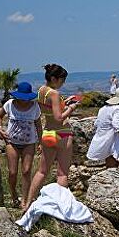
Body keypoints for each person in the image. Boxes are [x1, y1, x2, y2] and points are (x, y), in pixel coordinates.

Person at [26, 64, 79, 209]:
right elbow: (59, 117)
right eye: (62, 80)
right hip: (62, 133)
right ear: (54, 78)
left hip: (48, 132)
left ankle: (28, 202)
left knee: (42, 171)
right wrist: (71, 108)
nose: (63, 83)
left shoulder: (42, 91)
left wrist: (65, 102)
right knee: (62, 174)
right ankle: (62, 208)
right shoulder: (55, 94)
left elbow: (50, 110)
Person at [0, 82, 41, 210]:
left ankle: (25, 200)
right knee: (13, 172)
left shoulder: (35, 106)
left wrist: (40, 142)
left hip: (29, 143)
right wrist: (0, 129)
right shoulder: (9, 104)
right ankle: (14, 195)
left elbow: (38, 124)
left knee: (26, 171)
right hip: (11, 142)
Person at [86, 87, 119, 168]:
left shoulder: (103, 109)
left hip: (106, 140)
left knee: (111, 166)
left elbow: (97, 123)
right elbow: (116, 124)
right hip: (118, 140)